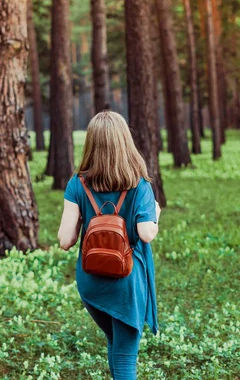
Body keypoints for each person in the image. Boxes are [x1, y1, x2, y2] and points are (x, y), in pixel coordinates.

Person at [58, 110, 161, 379]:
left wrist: (85, 218)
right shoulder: (139, 184)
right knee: (126, 355)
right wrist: (156, 215)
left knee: (115, 343)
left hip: (92, 282)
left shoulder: (77, 183)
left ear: (91, 143)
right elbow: (146, 234)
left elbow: (65, 240)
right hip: (126, 281)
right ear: (124, 140)